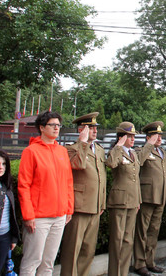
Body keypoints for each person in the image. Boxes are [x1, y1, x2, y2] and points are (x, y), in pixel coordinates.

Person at [19, 111, 73, 276]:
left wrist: (69, 209)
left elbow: (68, 182)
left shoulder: (62, 151)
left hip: (59, 216)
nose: (56, 128)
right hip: (39, 218)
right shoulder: (31, 151)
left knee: (48, 262)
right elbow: (24, 185)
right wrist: (28, 215)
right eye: (52, 125)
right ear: (42, 128)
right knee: (32, 261)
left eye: (58, 125)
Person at [60, 112, 107, 276]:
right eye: (91, 128)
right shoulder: (71, 149)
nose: (94, 131)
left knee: (88, 250)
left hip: (95, 206)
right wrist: (82, 141)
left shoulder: (99, 150)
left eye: (95, 128)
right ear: (81, 129)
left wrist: (102, 203)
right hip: (79, 206)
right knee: (72, 250)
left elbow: (102, 177)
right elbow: (78, 164)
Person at [133, 121, 166, 275]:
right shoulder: (141, 150)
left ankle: (150, 261)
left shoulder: (162, 152)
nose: (159, 138)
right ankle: (139, 263)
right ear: (148, 137)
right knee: (142, 231)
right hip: (147, 196)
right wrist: (149, 145)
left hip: (160, 197)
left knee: (154, 231)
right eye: (156, 135)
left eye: (160, 135)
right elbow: (139, 161)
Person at [106, 122, 142, 276]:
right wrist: (118, 147)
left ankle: (123, 272)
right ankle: (114, 273)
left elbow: (136, 179)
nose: (133, 139)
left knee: (128, 240)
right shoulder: (117, 151)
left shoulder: (133, 153)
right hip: (120, 201)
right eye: (129, 136)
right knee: (117, 239)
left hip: (133, 201)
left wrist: (138, 200)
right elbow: (111, 163)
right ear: (121, 137)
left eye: (133, 136)